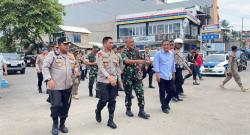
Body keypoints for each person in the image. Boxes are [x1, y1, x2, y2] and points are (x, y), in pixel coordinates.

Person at [43, 37, 76, 135]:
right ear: (59, 45)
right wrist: (49, 79)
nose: (67, 46)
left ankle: (62, 124)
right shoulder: (52, 54)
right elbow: (45, 67)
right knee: (56, 105)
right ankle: (55, 124)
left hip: (68, 86)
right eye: (65, 44)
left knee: (66, 106)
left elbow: (75, 66)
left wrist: (76, 71)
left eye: (68, 44)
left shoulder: (71, 56)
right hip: (56, 86)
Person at [95, 37, 121, 129]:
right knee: (104, 99)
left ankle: (110, 120)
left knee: (112, 100)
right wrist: (109, 77)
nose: (112, 44)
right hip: (103, 81)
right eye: (110, 42)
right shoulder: (100, 54)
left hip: (113, 81)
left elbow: (117, 68)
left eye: (112, 42)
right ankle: (98, 110)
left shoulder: (115, 55)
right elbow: (101, 67)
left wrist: (118, 79)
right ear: (104, 43)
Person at [121, 37, 150, 119]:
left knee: (140, 92)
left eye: (133, 42)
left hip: (137, 76)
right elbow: (126, 61)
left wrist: (140, 66)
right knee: (128, 94)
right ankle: (128, 109)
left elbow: (140, 61)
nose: (132, 43)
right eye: (130, 42)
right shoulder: (124, 51)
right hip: (127, 77)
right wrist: (138, 61)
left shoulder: (136, 51)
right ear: (126, 43)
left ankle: (141, 111)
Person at [153, 39, 176, 114]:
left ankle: (165, 103)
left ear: (169, 46)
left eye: (168, 44)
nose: (166, 46)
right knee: (162, 92)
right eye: (165, 44)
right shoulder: (158, 54)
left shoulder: (171, 54)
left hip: (169, 76)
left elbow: (173, 64)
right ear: (162, 46)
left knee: (172, 91)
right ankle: (164, 107)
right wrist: (157, 74)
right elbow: (155, 64)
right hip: (161, 76)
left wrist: (173, 73)